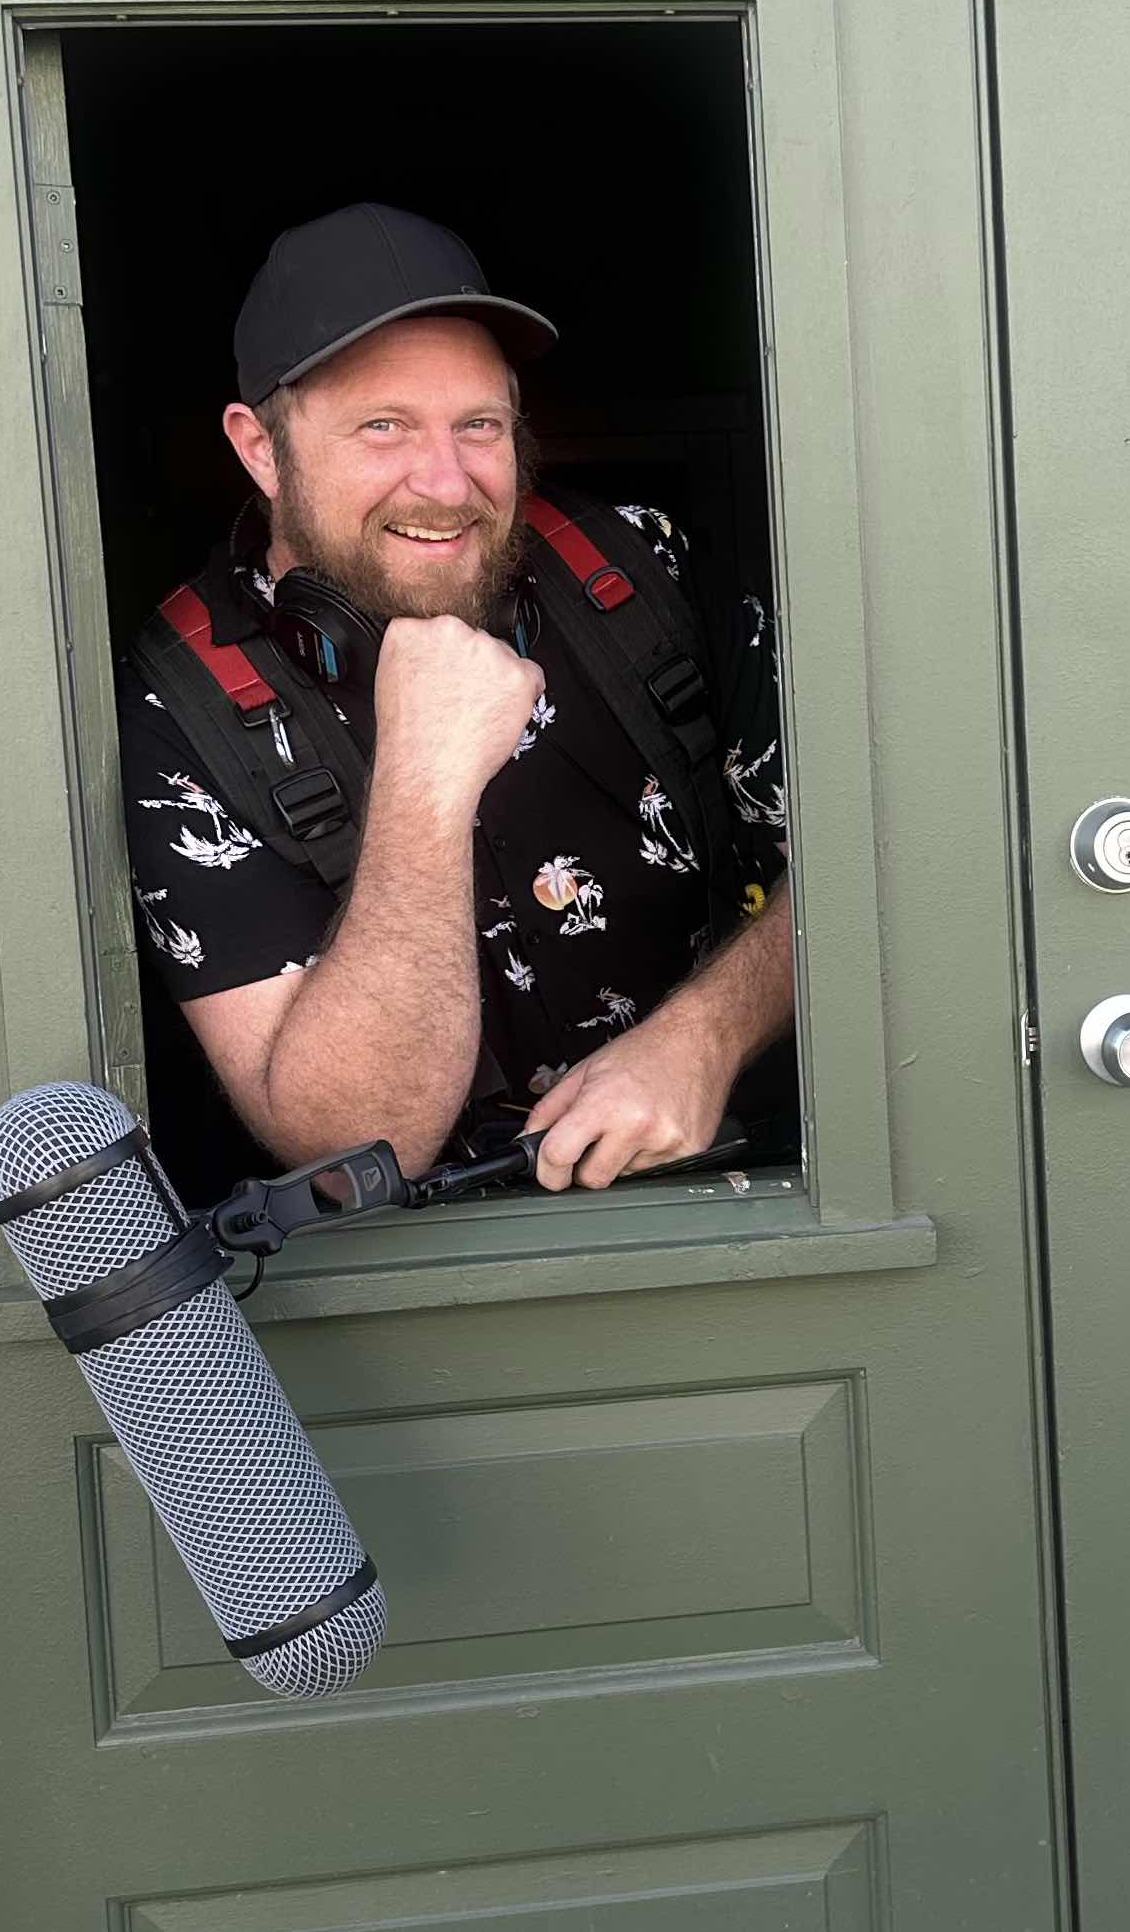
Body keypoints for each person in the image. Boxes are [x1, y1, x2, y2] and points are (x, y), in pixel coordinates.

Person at [116, 202, 793, 1194]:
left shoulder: (640, 570)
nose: (444, 485)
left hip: (749, 1205)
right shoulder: (181, 702)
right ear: (260, 448)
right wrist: (424, 784)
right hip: (433, 1267)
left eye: (478, 425)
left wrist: (708, 1032)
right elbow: (353, 1148)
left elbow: (879, 856)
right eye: (383, 427)